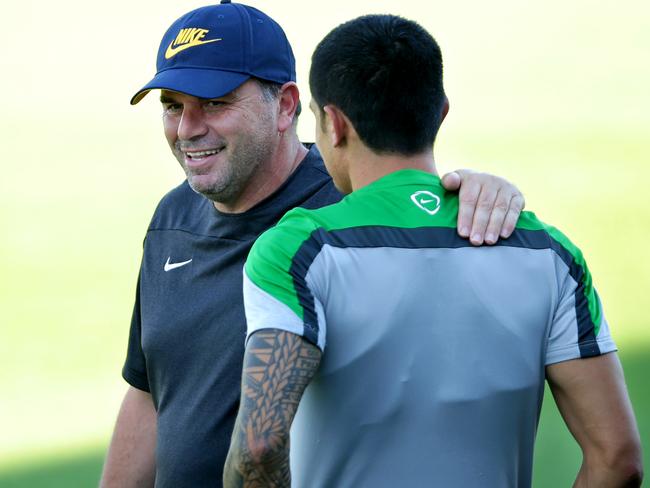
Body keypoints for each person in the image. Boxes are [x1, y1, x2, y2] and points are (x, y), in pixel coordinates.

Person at [100, 3, 528, 487]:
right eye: (172, 106)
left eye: (215, 103)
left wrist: (479, 189)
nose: (186, 129)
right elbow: (149, 391)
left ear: (285, 105)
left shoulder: (346, 207)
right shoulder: (170, 221)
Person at [224, 13, 643, 488]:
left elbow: (259, 450)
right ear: (440, 112)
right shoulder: (548, 252)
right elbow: (619, 459)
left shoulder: (297, 249)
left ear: (334, 124)